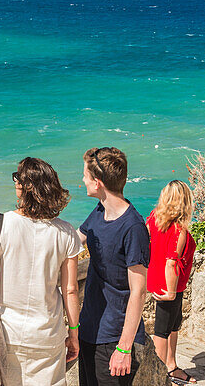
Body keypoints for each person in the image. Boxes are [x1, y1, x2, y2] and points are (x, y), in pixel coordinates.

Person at [0, 157, 83, 386]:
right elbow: (70, 290)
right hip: (47, 335)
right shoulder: (66, 233)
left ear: (26, 187)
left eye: (18, 177)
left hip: (4, 333)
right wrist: (73, 332)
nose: (14, 181)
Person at [77, 147, 150, 386]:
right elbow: (73, 240)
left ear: (97, 183)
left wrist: (124, 348)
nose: (83, 180)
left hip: (113, 338)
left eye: (85, 176)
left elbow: (139, 292)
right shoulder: (100, 211)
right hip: (89, 327)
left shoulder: (133, 227)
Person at [146, 180, 197, 383]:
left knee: (174, 326)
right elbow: (171, 263)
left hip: (167, 283)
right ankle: (158, 376)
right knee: (162, 330)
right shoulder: (178, 231)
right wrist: (170, 292)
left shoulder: (153, 218)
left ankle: (171, 366)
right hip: (169, 286)